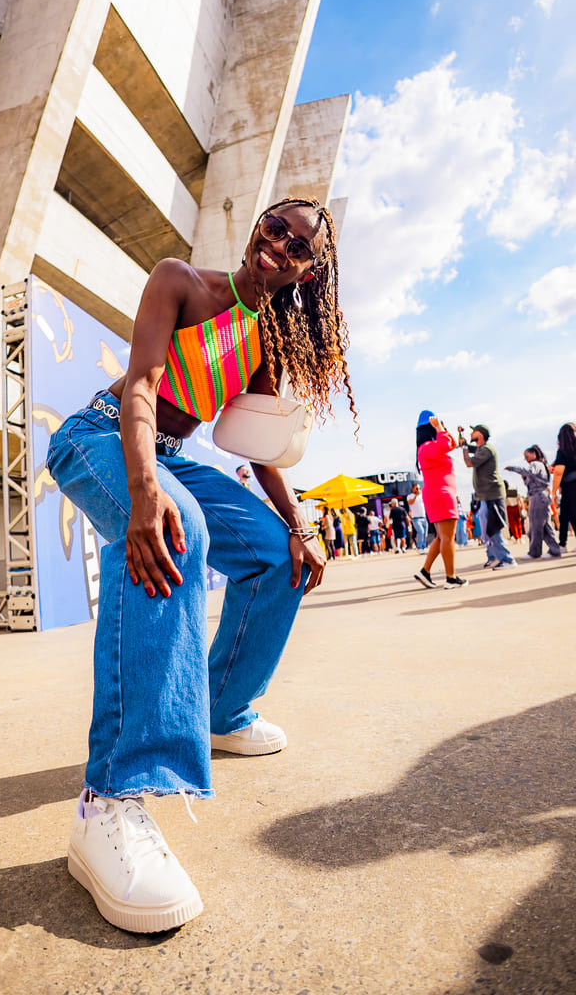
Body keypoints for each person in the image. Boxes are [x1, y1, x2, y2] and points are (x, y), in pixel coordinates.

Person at [46, 197, 355, 933]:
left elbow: (260, 449)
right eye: (275, 226)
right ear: (257, 227)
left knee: (278, 559)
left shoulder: (266, 340)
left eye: (299, 246)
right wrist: (144, 488)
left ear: (309, 273)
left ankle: (222, 709)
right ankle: (108, 799)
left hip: (171, 456)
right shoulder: (179, 281)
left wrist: (300, 526)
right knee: (173, 525)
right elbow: (142, 385)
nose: (279, 243)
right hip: (101, 434)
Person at [413, 411, 468, 589]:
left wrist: (441, 427)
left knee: (441, 537)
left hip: (438, 493)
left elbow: (452, 444)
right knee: (448, 537)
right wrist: (439, 427)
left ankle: (425, 572)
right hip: (442, 494)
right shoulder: (428, 447)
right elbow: (446, 443)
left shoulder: (428, 447)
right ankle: (451, 578)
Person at [459, 424, 515, 569]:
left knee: (493, 528)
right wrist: (461, 438)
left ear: (481, 434)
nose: (471, 434)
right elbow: (465, 446)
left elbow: (469, 462)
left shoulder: (486, 449)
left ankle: (507, 560)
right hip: (485, 496)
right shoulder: (481, 449)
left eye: (474, 432)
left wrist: (464, 448)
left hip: (492, 495)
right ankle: (493, 557)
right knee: (485, 531)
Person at [505, 446, 561, 559]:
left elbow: (529, 472)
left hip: (537, 496)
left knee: (535, 526)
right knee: (545, 526)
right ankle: (554, 550)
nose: (526, 459)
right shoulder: (541, 465)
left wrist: (513, 469)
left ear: (534, 454)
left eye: (527, 456)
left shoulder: (535, 464)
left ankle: (535, 552)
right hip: (542, 497)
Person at [552, 422, 576, 551]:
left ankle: (562, 544)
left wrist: (554, 492)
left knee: (569, 514)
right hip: (570, 486)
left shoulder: (563, 451)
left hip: (570, 486)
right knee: (566, 514)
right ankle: (562, 543)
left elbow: (559, 472)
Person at [406, 482, 427, 550]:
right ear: (413, 489)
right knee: (420, 531)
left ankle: (423, 547)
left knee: (425, 533)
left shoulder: (422, 496)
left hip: (423, 516)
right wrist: (415, 496)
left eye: (419, 488)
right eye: (417, 488)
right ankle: (419, 547)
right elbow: (410, 502)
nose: (418, 489)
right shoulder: (410, 496)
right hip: (416, 518)